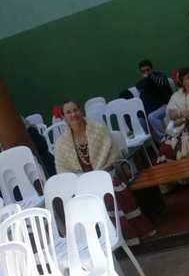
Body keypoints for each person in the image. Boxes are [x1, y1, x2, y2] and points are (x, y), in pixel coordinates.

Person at [55, 101, 156, 245]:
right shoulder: (61, 142)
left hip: (106, 173)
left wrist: (100, 173)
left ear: (81, 111)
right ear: (64, 117)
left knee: (109, 189)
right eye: (68, 112)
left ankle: (126, 237)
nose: (73, 114)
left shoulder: (98, 129)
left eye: (75, 110)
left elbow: (114, 155)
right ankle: (94, 242)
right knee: (65, 202)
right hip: (81, 182)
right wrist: (81, 180)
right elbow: (62, 169)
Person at [136, 60, 173, 141]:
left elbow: (162, 83)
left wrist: (151, 76)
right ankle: (152, 142)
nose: (146, 73)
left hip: (166, 105)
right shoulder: (142, 82)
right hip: (152, 108)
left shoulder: (160, 76)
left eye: (148, 70)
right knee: (140, 118)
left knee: (152, 117)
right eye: (143, 71)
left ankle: (165, 138)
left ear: (152, 69)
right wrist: (147, 80)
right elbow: (139, 87)